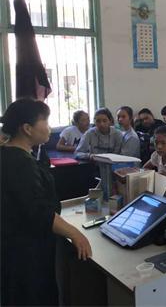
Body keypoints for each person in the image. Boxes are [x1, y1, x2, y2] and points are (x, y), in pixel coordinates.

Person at [1, 99, 92, 306]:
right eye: (45, 121)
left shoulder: (12, 154)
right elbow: (38, 210)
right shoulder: (20, 163)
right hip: (26, 253)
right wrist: (75, 233)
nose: (49, 128)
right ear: (27, 128)